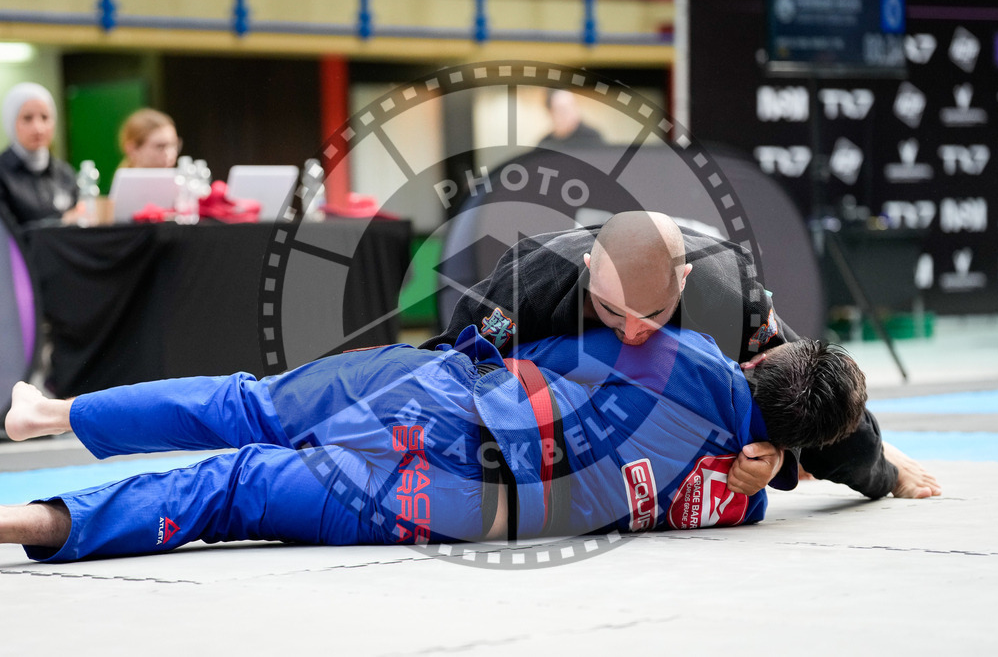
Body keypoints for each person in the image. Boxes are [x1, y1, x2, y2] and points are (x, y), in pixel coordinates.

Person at [1, 323, 865, 562]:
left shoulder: (678, 354)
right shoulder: (738, 500)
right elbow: (761, 460)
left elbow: (548, 343)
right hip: (452, 511)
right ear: (795, 444)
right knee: (231, 488)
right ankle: (25, 524)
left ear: (771, 357)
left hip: (444, 403)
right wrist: (781, 466)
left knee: (247, 406)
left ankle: (56, 414)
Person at [423, 211, 942, 501]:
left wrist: (779, 457)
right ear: (587, 269)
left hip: (709, 314)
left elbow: (798, 393)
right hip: (561, 388)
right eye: (610, 310)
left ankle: (886, 463)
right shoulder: (527, 284)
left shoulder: (726, 293)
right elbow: (446, 367)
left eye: (649, 315)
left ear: (684, 281)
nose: (630, 332)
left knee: (832, 416)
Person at [0, 82, 79, 228]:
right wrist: (60, 224)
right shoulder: (3, 174)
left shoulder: (65, 174)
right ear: (10, 122)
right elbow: (8, 235)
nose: (38, 128)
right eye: (27, 118)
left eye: (45, 117)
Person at [536, 89, 605, 150]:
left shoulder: (591, 138)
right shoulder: (545, 144)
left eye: (573, 106)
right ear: (551, 113)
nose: (571, 112)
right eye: (563, 109)